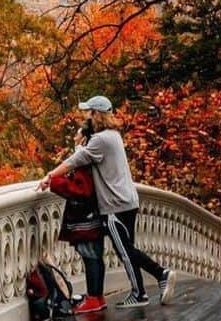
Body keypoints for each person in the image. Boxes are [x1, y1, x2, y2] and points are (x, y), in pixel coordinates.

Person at [37, 95, 177, 309]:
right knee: (127, 249)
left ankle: (161, 274)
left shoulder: (100, 140)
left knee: (125, 251)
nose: (85, 116)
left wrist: (50, 175)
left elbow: (76, 162)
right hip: (128, 201)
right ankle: (139, 293)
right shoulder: (113, 135)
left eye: (88, 112)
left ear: (96, 114)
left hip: (115, 205)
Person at [45, 119, 106, 313]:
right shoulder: (89, 160)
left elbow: (81, 191)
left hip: (86, 219)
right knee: (94, 256)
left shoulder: (84, 162)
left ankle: (95, 298)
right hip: (92, 217)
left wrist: (55, 182)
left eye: (77, 134)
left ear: (85, 140)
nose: (74, 137)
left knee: (91, 256)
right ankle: (97, 296)